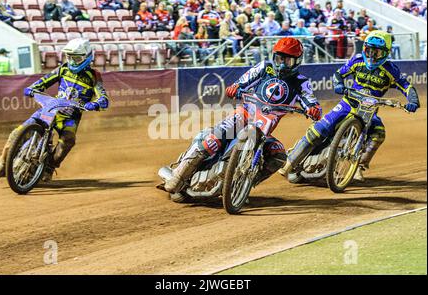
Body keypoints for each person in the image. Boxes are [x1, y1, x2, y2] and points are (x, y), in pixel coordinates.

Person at [163, 37, 322, 193]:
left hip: (263, 129)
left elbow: (310, 98)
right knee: (214, 139)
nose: (282, 64)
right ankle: (178, 175)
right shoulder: (265, 67)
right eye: (279, 58)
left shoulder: (301, 82)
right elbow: (243, 81)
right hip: (245, 114)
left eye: (287, 60)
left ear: (297, 61)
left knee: (278, 154)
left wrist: (314, 109)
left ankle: (242, 184)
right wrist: (235, 87)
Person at [278, 31, 420, 181]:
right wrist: (338, 84)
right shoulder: (357, 60)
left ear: (386, 53)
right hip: (348, 103)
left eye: (376, 52)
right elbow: (338, 74)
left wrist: (413, 101)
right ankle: (289, 163)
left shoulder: (391, 70)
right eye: (368, 50)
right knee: (319, 129)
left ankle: (359, 166)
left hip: (370, 109)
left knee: (379, 133)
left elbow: (407, 86)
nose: (371, 56)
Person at [0, 38, 109, 182]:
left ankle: (49, 167)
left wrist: (96, 104)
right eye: (69, 57)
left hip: (70, 117)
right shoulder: (63, 69)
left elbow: (103, 97)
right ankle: (3, 164)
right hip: (51, 107)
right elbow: (44, 80)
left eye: (76, 58)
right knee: (17, 133)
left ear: (88, 57)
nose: (72, 61)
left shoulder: (94, 76)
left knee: (68, 140)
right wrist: (33, 88)